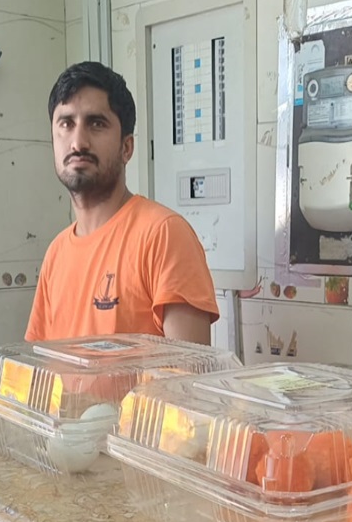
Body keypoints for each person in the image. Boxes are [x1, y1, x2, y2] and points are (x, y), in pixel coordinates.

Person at [25, 61, 219, 345]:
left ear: (126, 147)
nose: (78, 143)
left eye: (96, 124)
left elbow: (191, 370)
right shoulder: (56, 254)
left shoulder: (163, 235)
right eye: (66, 124)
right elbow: (39, 364)